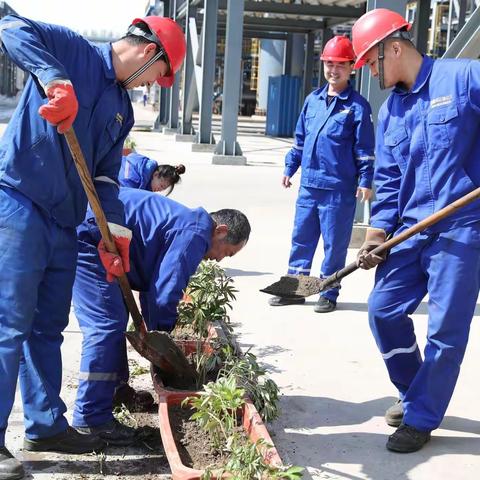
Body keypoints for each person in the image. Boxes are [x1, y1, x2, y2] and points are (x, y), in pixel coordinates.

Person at [0, 13, 185, 479]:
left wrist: (113, 235)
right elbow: (8, 26)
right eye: (160, 75)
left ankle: (45, 426)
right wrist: (53, 78)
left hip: (65, 222)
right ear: (149, 54)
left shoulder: (120, 108)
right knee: (9, 325)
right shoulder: (72, 50)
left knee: (46, 328)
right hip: (21, 202)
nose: (154, 83)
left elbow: (105, 178)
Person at [353, 8, 480, 453]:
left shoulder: (463, 78)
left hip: (462, 229)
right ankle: (414, 393)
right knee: (382, 311)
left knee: (445, 331)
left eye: (372, 61)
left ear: (394, 47)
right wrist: (376, 234)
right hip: (410, 229)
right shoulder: (391, 112)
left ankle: (422, 417)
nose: (370, 72)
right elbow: (388, 181)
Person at [70, 188, 250, 445]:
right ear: (220, 231)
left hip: (99, 231)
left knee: (116, 319)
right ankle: (90, 418)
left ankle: (115, 391)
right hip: (91, 237)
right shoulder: (195, 234)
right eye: (227, 252)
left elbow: (152, 288)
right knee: (106, 327)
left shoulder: (190, 224)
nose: (220, 259)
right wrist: (164, 342)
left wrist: (155, 333)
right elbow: (164, 295)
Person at [268, 35, 375, 313]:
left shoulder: (358, 107)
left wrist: (365, 180)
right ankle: (295, 289)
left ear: (352, 67)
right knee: (301, 238)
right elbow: (300, 141)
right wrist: (290, 167)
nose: (333, 70)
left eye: (340, 64)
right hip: (309, 186)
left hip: (338, 190)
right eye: (329, 63)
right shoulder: (312, 101)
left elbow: (364, 149)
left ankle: (329, 291)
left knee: (334, 243)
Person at [119, 152, 186, 194]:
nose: (160, 190)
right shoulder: (134, 179)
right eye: (161, 186)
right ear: (155, 174)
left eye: (163, 189)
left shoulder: (145, 184)